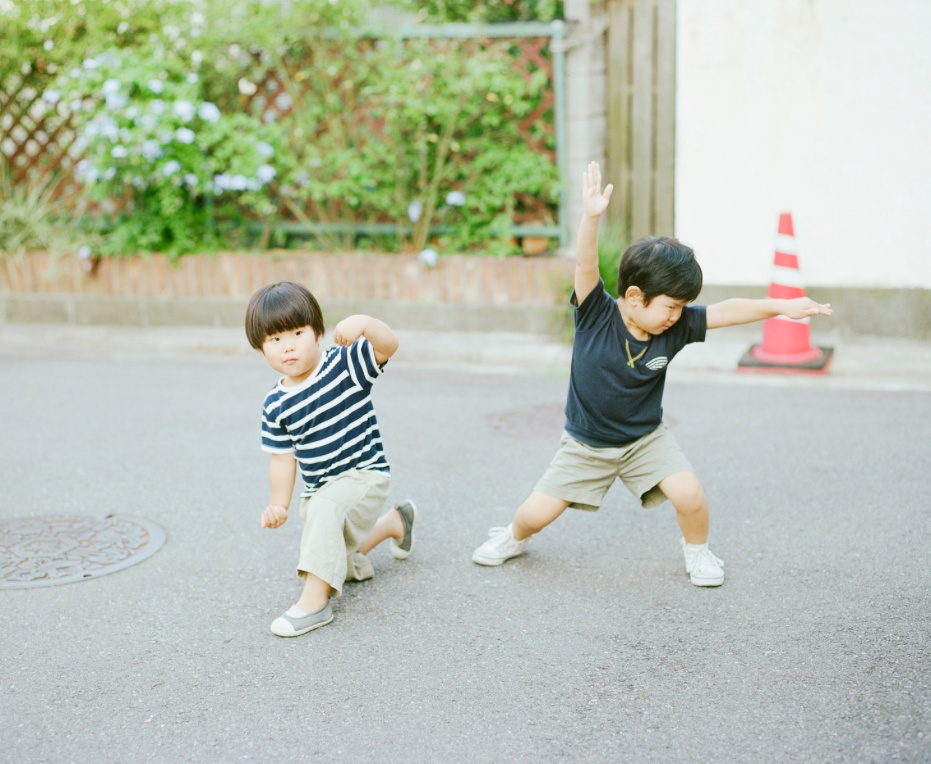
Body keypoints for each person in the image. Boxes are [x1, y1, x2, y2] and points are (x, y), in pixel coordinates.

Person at [472, 162, 832, 586]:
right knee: (533, 515)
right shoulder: (596, 314)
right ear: (633, 296)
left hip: (645, 440)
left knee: (690, 495)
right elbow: (585, 266)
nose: (677, 316)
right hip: (586, 445)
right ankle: (512, 538)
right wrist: (590, 217)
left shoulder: (673, 328)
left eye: (682, 307)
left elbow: (725, 311)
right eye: (671, 306)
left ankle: (697, 552)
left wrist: (780, 307)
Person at [245, 281, 416, 636]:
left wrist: (365, 324)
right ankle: (394, 524)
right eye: (274, 339)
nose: (288, 346)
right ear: (261, 348)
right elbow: (282, 459)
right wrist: (279, 503)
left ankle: (315, 605)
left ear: (318, 333)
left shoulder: (344, 365)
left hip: (364, 475)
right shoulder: (275, 404)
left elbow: (389, 346)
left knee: (323, 527)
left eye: (296, 332)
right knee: (331, 545)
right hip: (321, 490)